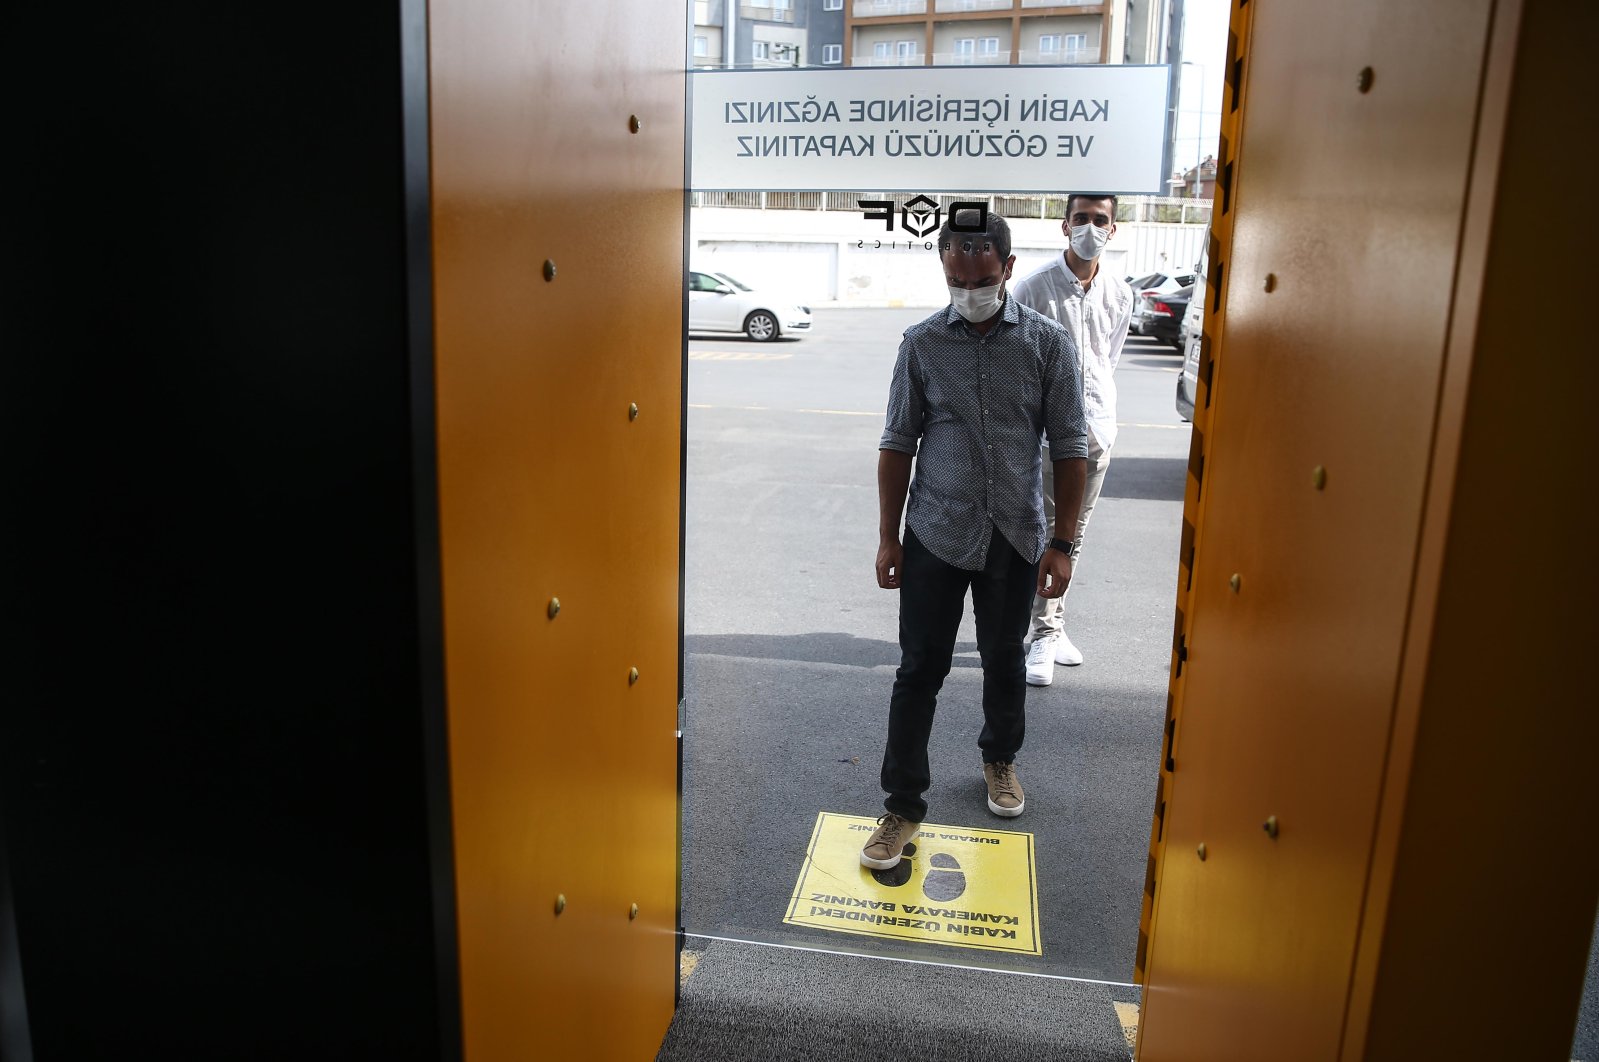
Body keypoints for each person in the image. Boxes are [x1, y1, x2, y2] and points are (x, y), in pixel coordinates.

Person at [861, 209, 1089, 871]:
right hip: (934, 530)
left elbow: (1070, 446)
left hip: (1015, 535)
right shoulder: (921, 344)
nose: (970, 291)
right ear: (943, 270)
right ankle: (901, 804)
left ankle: (999, 760)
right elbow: (897, 443)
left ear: (1007, 269)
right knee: (918, 672)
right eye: (958, 280)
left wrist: (1063, 544)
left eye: (982, 278)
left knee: (1003, 659)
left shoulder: (1047, 344)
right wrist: (887, 537)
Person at [1009, 193, 1135, 686]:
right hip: (1043, 439)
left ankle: (1051, 624)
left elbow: (1108, 358)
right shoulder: (1034, 289)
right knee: (1044, 537)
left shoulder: (1121, 294)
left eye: (1099, 220)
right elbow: (1014, 363)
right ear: (1064, 226)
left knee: (1073, 536)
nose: (1089, 227)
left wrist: (1097, 418)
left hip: (1097, 432)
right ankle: (1040, 633)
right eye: (1080, 218)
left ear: (1112, 229)